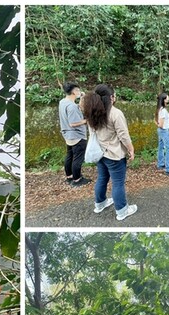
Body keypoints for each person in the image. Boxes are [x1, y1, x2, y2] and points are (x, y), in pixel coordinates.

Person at [81, 84, 138, 221]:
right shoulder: (115, 113)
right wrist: (131, 149)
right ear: (111, 98)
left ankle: (99, 204)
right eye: (115, 95)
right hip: (114, 154)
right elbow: (123, 135)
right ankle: (122, 210)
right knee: (118, 183)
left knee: (102, 178)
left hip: (100, 153)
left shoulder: (91, 112)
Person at [59, 82, 90, 187]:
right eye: (77, 90)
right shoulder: (71, 106)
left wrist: (81, 98)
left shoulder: (63, 102)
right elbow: (73, 123)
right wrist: (86, 121)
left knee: (70, 156)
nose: (79, 92)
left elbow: (78, 108)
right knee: (78, 158)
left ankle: (69, 176)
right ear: (73, 91)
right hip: (77, 135)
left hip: (67, 135)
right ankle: (77, 179)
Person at [156, 92, 169, 176]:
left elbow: (163, 119)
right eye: (167, 98)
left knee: (161, 147)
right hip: (164, 131)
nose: (168, 99)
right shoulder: (163, 110)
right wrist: (158, 124)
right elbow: (161, 124)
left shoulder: (160, 109)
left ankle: (160, 164)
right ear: (164, 100)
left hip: (161, 131)